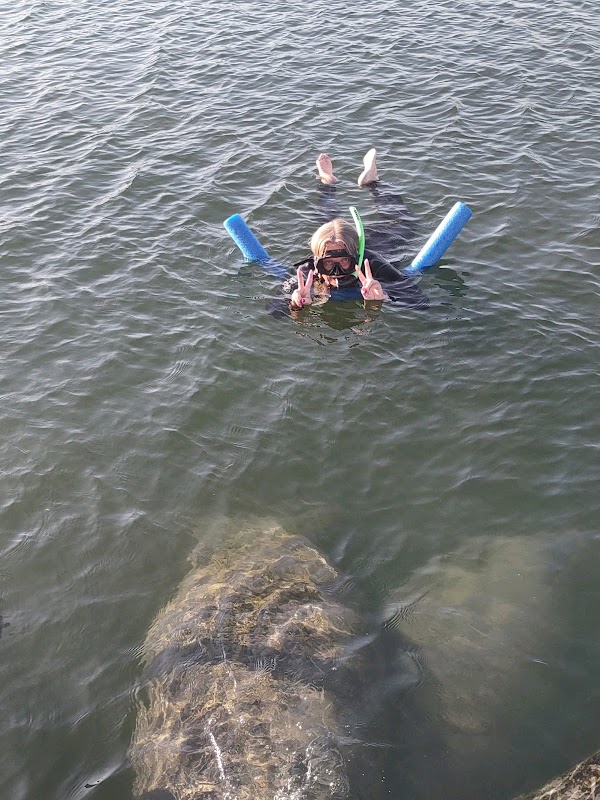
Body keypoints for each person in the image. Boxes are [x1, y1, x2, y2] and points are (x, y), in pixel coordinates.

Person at [286, 150, 429, 311]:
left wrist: (383, 298)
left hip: (381, 241)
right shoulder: (307, 273)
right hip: (343, 241)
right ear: (318, 261)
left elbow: (421, 303)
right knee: (328, 223)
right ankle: (327, 180)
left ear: (356, 258)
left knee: (405, 223)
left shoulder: (374, 265)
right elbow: (274, 311)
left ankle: (373, 182)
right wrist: (295, 304)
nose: (336, 272)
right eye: (328, 264)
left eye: (345, 261)